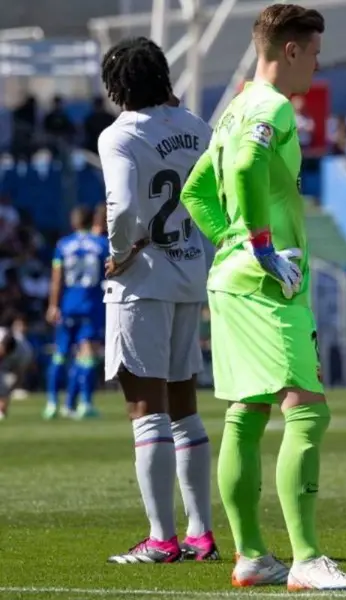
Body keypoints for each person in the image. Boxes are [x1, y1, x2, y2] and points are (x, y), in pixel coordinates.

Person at [179, 3, 346, 591]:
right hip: (267, 283)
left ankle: (253, 557)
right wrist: (260, 246)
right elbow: (244, 168)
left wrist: (232, 241)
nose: (317, 65)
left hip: (231, 280)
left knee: (246, 412)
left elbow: (195, 192)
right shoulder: (272, 106)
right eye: (313, 54)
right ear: (290, 50)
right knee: (307, 409)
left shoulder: (233, 110)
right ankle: (307, 559)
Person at [97, 35, 218, 565]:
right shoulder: (197, 127)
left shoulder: (120, 135)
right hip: (189, 274)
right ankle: (200, 534)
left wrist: (119, 252)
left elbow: (122, 206)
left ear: (118, 87)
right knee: (185, 409)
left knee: (146, 410)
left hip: (143, 282)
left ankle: (161, 538)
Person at [45, 206, 107, 420]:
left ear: (74, 222)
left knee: (60, 353)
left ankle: (52, 403)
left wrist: (53, 305)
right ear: (92, 221)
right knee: (88, 354)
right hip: (91, 305)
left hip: (67, 305)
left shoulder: (63, 245)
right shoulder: (101, 244)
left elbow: (57, 278)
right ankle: (85, 403)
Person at [0, 318, 34, 420]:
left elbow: (20, 372)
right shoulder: (2, 334)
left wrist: (12, 386)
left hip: (10, 367)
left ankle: (1, 411)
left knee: (4, 387)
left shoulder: (24, 353)